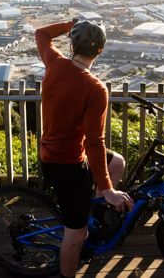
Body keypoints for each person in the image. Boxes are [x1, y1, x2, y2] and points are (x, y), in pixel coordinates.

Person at [35, 18, 134, 278]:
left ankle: (92, 213)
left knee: (117, 163)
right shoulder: (95, 88)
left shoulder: (55, 65)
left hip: (50, 153)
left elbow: (41, 34)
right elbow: (94, 142)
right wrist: (110, 189)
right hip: (67, 164)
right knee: (76, 234)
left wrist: (71, 24)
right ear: (100, 50)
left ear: (71, 44)